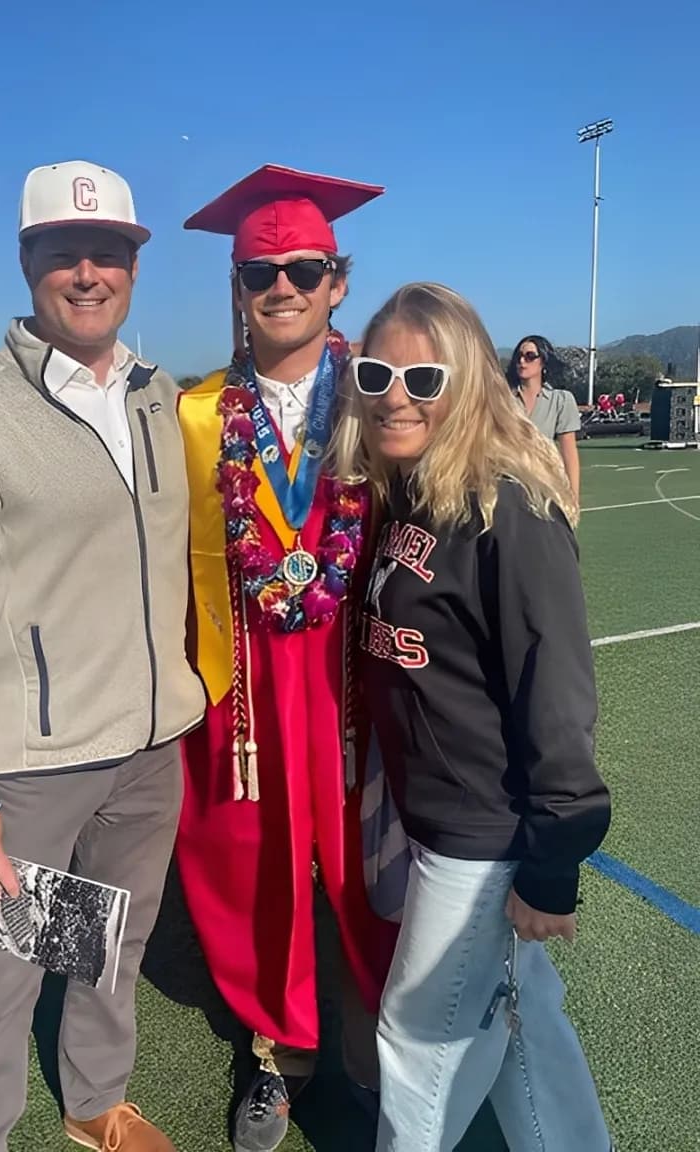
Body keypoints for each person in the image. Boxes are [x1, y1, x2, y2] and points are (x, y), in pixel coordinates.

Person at [0, 159, 205, 1152]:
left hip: (148, 750)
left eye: (107, 251)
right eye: (63, 252)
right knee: (0, 979)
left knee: (107, 949)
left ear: (133, 265)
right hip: (30, 770)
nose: (87, 271)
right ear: (28, 262)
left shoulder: (161, 398)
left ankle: (93, 1105)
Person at [331, 282, 613, 1151]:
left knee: (418, 1045)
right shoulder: (412, 491)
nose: (398, 397)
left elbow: (556, 690)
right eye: (378, 374)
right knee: (524, 1026)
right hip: (441, 820)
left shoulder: (508, 507)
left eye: (427, 377)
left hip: (482, 835)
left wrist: (553, 862)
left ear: (471, 381)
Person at [177, 165, 398, 1152]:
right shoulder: (190, 417)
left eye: (303, 269)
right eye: (259, 271)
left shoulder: (382, 404)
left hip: (362, 685)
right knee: (252, 869)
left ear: (337, 281)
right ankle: (279, 1051)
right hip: (248, 698)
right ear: (237, 287)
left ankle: (380, 1047)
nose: (281, 287)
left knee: (376, 869)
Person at [506, 335, 581, 500]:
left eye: (530, 356)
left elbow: (569, 453)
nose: (522, 361)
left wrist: (573, 497)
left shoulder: (561, 400)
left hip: (546, 490)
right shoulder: (502, 400)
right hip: (508, 490)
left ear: (544, 362)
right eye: (519, 356)